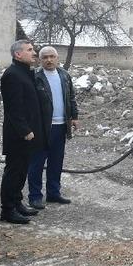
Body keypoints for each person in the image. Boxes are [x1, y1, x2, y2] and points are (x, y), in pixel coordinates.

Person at [0, 40, 48, 224]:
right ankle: (7, 210)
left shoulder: (25, 73)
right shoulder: (12, 75)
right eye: (29, 50)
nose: (34, 53)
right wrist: (25, 130)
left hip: (29, 134)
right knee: (13, 171)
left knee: (22, 171)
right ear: (17, 54)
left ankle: (17, 203)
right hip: (19, 135)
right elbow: (14, 108)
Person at [28, 46, 78, 209]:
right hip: (41, 128)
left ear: (57, 58)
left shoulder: (64, 75)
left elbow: (71, 97)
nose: (49, 60)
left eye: (52, 57)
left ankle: (53, 193)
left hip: (61, 126)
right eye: (45, 57)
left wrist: (74, 117)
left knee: (56, 162)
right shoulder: (35, 77)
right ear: (40, 60)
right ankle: (35, 196)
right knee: (36, 163)